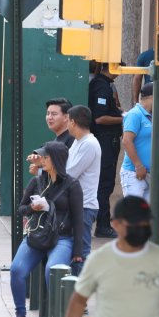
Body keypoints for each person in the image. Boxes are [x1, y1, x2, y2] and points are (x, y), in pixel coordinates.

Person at [7, 141, 84, 317]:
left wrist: (78, 250)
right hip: (37, 235)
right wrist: (33, 207)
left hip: (62, 237)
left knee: (53, 269)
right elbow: (21, 209)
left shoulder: (72, 184)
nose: (42, 160)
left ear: (56, 160)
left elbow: (78, 218)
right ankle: (21, 315)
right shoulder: (37, 181)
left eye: (45, 157)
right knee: (16, 269)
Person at [88, 62, 124, 239]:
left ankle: (102, 221)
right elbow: (100, 118)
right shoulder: (102, 87)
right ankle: (102, 225)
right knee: (105, 183)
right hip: (105, 141)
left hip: (107, 140)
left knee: (104, 184)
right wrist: (123, 118)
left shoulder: (102, 84)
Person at [65, 105, 101, 262]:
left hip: (85, 206)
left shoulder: (89, 144)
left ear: (72, 122)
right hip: (76, 205)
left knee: (81, 253)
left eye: (67, 121)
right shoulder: (77, 142)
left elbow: (70, 173)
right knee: (73, 252)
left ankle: (83, 285)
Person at [120, 84, 156, 200]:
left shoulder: (153, 115)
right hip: (134, 173)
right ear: (152, 97)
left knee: (147, 216)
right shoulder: (134, 114)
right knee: (133, 215)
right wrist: (138, 166)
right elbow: (126, 141)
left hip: (150, 173)